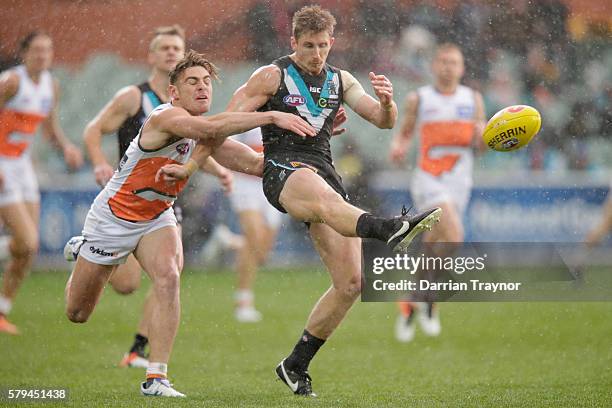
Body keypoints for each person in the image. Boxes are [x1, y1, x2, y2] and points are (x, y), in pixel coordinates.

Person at [64, 50, 317, 397]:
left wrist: (311, 145)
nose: (202, 88)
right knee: (77, 313)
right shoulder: (166, 116)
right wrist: (271, 115)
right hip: (113, 218)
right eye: (192, 82)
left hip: (156, 217)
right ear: (174, 93)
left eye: (207, 82)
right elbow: (211, 127)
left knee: (168, 277)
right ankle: (82, 248)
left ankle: (156, 378)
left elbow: (257, 164)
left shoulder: (206, 136)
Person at [225, 5, 442, 397]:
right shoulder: (271, 76)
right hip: (283, 170)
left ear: (332, 43)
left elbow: (381, 119)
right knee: (324, 199)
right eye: (308, 45)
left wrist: (388, 101)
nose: (316, 54)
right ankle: (389, 228)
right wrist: (270, 119)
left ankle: (295, 365)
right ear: (292, 42)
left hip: (323, 170)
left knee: (352, 283)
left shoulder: (340, 79)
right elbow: (224, 122)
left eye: (323, 45)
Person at [80, 24, 232, 368]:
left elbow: (191, 145)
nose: (171, 53)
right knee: (126, 285)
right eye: (163, 48)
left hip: (163, 202)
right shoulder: (134, 97)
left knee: (170, 272)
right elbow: (93, 129)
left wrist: (218, 169)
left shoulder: (189, 105)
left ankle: (139, 349)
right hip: (125, 201)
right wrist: (99, 162)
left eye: (176, 48)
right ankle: (86, 248)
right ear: (151, 56)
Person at [389, 43, 485, 342]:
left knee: (433, 243)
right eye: (443, 61)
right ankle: (427, 298)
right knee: (454, 236)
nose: (448, 67)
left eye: (453, 62)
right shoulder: (420, 98)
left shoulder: (473, 99)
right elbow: (404, 131)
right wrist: (399, 146)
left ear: (462, 68)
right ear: (433, 66)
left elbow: (481, 146)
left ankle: (413, 300)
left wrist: (489, 138)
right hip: (429, 179)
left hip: (460, 181)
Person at [0, 31, 83, 335]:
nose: (43, 55)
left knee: (28, 249)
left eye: (47, 50)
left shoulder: (51, 84)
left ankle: (2, 311)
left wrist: (66, 147)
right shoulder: (11, 81)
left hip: (22, 165)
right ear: (23, 53)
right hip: (2, 164)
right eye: (36, 50)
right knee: (27, 240)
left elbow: (50, 126)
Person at [228, 127, 282, 322]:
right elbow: (228, 145)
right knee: (255, 239)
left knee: (262, 254)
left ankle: (228, 241)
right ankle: (243, 300)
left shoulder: (283, 105)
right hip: (245, 183)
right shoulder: (246, 104)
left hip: (272, 181)